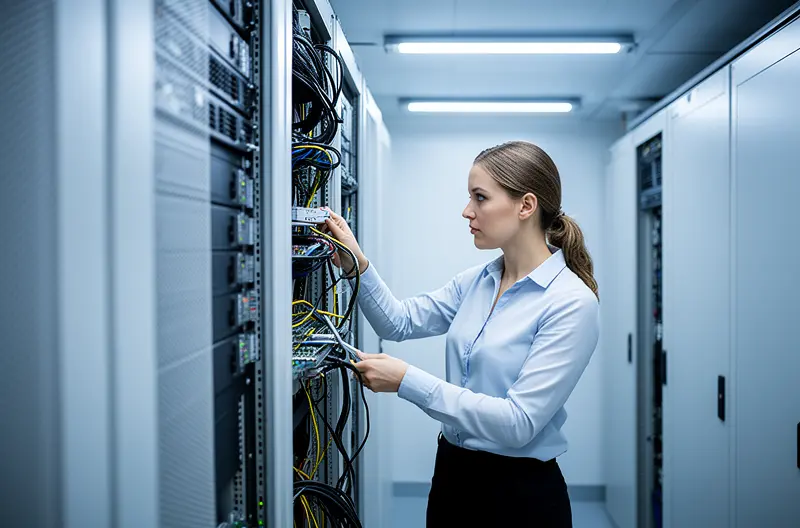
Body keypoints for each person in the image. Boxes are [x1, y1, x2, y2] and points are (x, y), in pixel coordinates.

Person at [323, 140, 600, 527]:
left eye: (480, 198)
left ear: (526, 206)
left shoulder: (571, 302)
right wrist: (356, 262)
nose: (467, 211)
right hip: (453, 475)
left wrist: (407, 381)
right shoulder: (480, 280)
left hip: (519, 496)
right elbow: (398, 322)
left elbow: (518, 423)